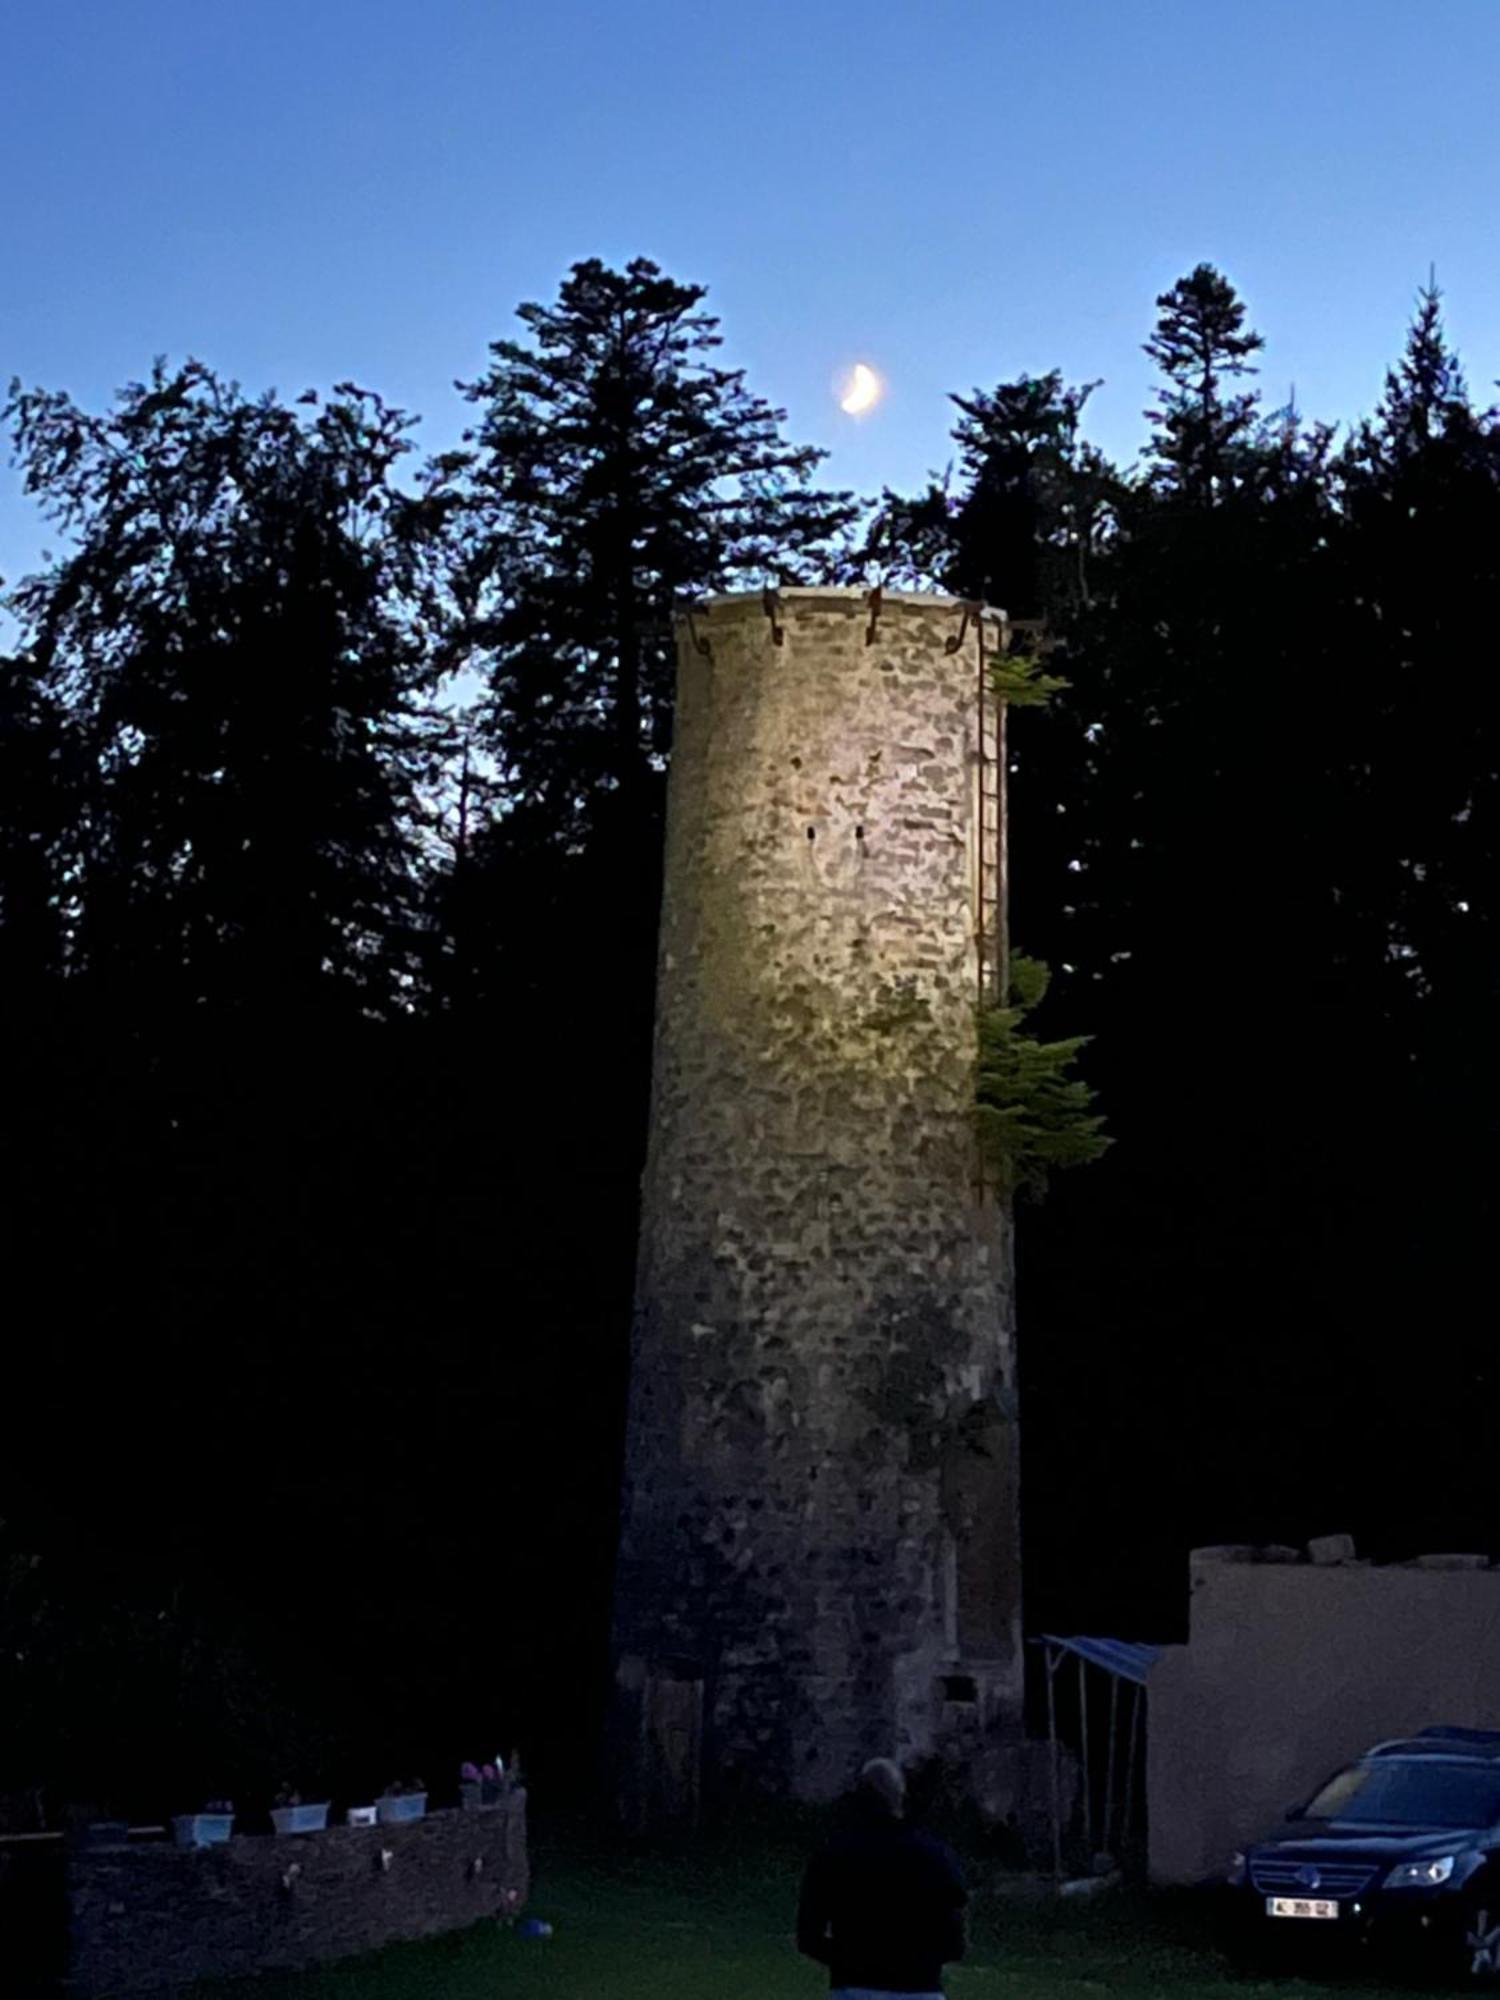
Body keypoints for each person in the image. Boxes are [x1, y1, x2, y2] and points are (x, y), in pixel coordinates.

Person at [796, 1757, 967, 2000]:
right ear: (901, 1796)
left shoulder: (833, 1856)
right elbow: (955, 1942)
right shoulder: (937, 1858)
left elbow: (808, 1938)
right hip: (920, 1988)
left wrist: (849, 1960)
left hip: (855, 1987)